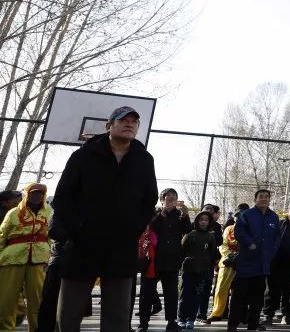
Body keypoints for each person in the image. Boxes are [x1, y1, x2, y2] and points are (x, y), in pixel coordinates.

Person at [52, 105, 158, 332]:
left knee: (117, 318)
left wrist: (134, 228)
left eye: (134, 121)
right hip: (83, 244)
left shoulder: (144, 159)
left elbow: (150, 199)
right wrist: (75, 230)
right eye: (122, 120)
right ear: (108, 126)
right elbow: (62, 197)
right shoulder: (83, 156)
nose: (129, 124)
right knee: (69, 313)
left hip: (121, 246)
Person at [138, 188, 192, 331]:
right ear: (162, 200)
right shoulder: (154, 215)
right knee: (146, 293)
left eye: (173, 198)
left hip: (172, 262)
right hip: (152, 262)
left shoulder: (180, 216)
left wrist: (186, 214)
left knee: (171, 294)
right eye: (167, 198)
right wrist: (162, 211)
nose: (170, 201)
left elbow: (187, 229)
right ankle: (143, 323)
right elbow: (149, 227)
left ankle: (171, 322)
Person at [0, 182, 51, 330]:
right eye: (34, 193)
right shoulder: (14, 213)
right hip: (11, 260)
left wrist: (49, 255)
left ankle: (37, 329)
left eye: (40, 194)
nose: (37, 196)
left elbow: (51, 236)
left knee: (37, 299)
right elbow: (2, 236)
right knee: (6, 299)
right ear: (27, 194)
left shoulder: (49, 212)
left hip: (38, 259)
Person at [228, 189, 281, 332]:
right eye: (261, 197)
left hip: (263, 265)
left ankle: (252, 325)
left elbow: (277, 237)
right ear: (255, 199)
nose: (264, 199)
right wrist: (249, 242)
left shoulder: (274, 217)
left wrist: (273, 250)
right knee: (239, 298)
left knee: (257, 300)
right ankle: (232, 325)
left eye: (266, 197)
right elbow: (239, 231)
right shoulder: (246, 215)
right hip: (246, 264)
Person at [264, 202, 290, 325]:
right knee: (271, 290)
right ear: (288, 210)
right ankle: (268, 314)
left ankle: (287, 314)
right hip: (276, 261)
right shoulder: (279, 224)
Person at [178, 210, 219, 329]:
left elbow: (213, 254)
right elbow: (182, 252)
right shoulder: (190, 235)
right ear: (197, 221)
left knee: (197, 295)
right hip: (189, 269)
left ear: (209, 222)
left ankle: (191, 319)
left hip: (203, 270)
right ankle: (181, 318)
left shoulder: (211, 236)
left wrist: (213, 264)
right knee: (185, 294)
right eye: (201, 220)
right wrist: (180, 265)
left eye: (206, 220)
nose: (203, 222)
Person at [208, 217, 239, 322]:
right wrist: (230, 257)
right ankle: (217, 313)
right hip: (227, 262)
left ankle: (239, 314)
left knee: (240, 291)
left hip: (244, 263)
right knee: (221, 289)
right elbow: (223, 244)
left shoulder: (250, 228)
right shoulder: (229, 229)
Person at [198, 204, 222, 323]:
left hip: (209, 262)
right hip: (195, 262)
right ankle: (187, 314)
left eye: (211, 210)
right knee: (193, 289)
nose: (208, 211)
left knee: (206, 289)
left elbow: (220, 241)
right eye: (206, 209)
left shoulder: (216, 226)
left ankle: (202, 314)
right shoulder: (195, 225)